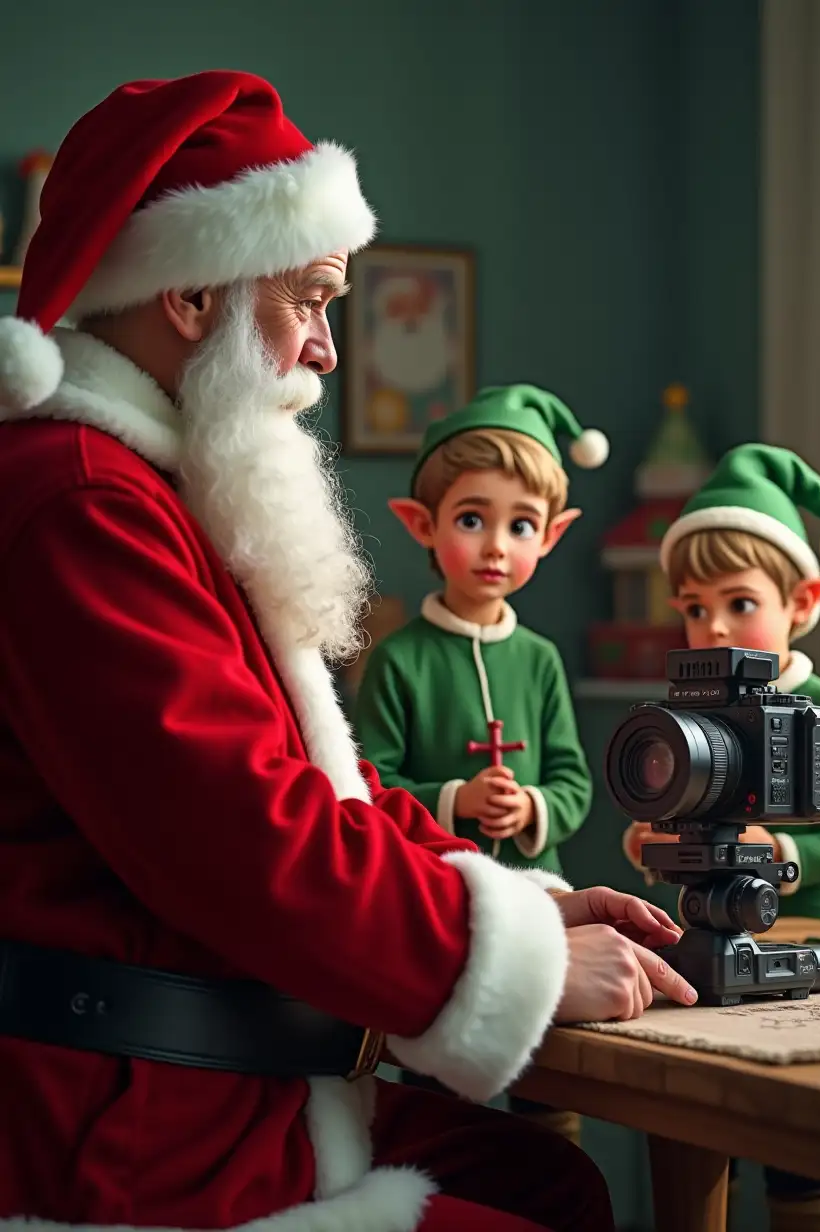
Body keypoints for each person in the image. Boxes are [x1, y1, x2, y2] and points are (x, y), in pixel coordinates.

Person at [0, 71, 699, 1232]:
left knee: (548, 1178)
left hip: (229, 1084)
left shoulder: (150, 491)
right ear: (185, 294)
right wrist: (503, 963)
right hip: (124, 1132)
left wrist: (524, 904)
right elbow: (238, 833)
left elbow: (326, 785)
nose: (326, 348)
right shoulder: (81, 505)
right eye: (311, 298)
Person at [623, 443, 820, 1232]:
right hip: (717, 937)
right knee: (711, 1126)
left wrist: (784, 853)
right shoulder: (689, 714)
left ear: (804, 600)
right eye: (694, 606)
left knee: (801, 1158)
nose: (714, 626)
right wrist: (653, 838)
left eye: (739, 604)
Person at [354, 385, 607, 1145]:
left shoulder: (541, 661)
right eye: (473, 520)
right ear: (421, 525)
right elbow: (367, 787)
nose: (497, 545)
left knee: (553, 1095)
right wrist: (456, 800)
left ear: (551, 536)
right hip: (443, 909)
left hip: (542, 909)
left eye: (520, 525)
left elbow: (573, 784)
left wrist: (532, 809)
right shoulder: (399, 660)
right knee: (438, 1103)